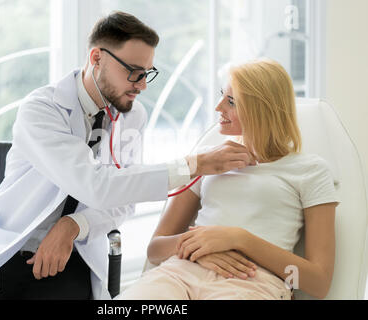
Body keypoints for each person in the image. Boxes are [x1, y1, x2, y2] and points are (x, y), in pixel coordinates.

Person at [0, 11, 255, 300]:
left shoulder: (132, 117)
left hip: (75, 254)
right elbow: (96, 186)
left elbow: (123, 201)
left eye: (148, 73)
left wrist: (73, 225)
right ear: (97, 58)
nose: (142, 86)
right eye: (134, 72)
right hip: (9, 249)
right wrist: (194, 164)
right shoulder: (42, 110)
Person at [116, 58, 340, 300]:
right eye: (222, 95)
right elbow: (155, 250)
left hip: (251, 285)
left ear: (260, 110)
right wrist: (199, 247)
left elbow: (318, 282)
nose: (218, 107)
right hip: (179, 274)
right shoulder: (210, 160)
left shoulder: (311, 171)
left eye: (231, 101)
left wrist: (239, 239)